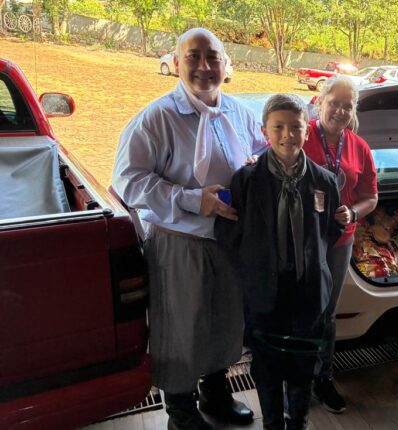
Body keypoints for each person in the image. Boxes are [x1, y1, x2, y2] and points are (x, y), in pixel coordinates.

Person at [112, 28, 264, 429]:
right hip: (179, 242)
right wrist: (194, 199)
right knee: (180, 327)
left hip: (228, 240)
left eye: (212, 57)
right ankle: (180, 410)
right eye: (193, 56)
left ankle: (216, 392)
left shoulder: (239, 112)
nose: (203, 66)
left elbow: (260, 154)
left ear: (226, 64)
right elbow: (128, 181)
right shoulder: (156, 118)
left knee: (224, 320)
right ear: (176, 63)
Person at [215, 94, 343, 430]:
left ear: (307, 131)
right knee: (266, 366)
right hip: (263, 291)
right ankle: (272, 422)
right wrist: (253, 268)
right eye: (278, 127)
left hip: (308, 290)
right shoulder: (246, 180)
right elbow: (229, 231)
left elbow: (329, 230)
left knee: (303, 364)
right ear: (264, 131)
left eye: (296, 127)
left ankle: (297, 419)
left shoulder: (325, 181)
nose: (288, 134)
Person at [303, 75, 378, 413]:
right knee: (298, 308)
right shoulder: (302, 134)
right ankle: (295, 379)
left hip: (338, 241)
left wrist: (353, 212)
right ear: (320, 102)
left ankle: (323, 377)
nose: (340, 111)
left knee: (326, 312)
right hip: (300, 239)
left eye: (347, 106)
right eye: (334, 103)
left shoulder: (359, 147)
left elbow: (371, 197)